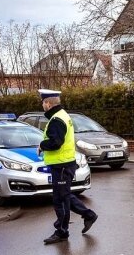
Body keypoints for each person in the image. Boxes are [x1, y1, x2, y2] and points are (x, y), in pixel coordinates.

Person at [37, 89, 98, 244]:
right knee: (64, 196)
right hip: (64, 164)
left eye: (43, 102)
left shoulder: (57, 119)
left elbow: (56, 142)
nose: (42, 105)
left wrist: (42, 145)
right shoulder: (62, 115)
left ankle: (62, 231)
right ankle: (89, 215)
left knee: (60, 200)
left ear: (48, 103)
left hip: (62, 165)